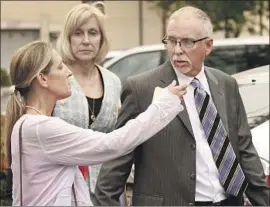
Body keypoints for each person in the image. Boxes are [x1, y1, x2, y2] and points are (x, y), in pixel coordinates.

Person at [94, 6, 270, 206]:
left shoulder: (226, 84)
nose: (177, 50)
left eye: (187, 42)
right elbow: (116, 161)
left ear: (208, 45)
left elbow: (245, 151)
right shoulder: (140, 89)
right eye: (171, 41)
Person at [5, 41, 187, 206]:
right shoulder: (40, 128)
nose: (69, 73)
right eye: (60, 67)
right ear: (42, 79)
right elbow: (113, 144)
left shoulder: (27, 125)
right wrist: (162, 105)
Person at [53, 3, 122, 197]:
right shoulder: (54, 78)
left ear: (101, 38)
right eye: (77, 33)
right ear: (67, 38)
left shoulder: (114, 82)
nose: (86, 40)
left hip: (105, 191)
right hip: (61, 188)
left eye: (93, 33)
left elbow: (119, 137)